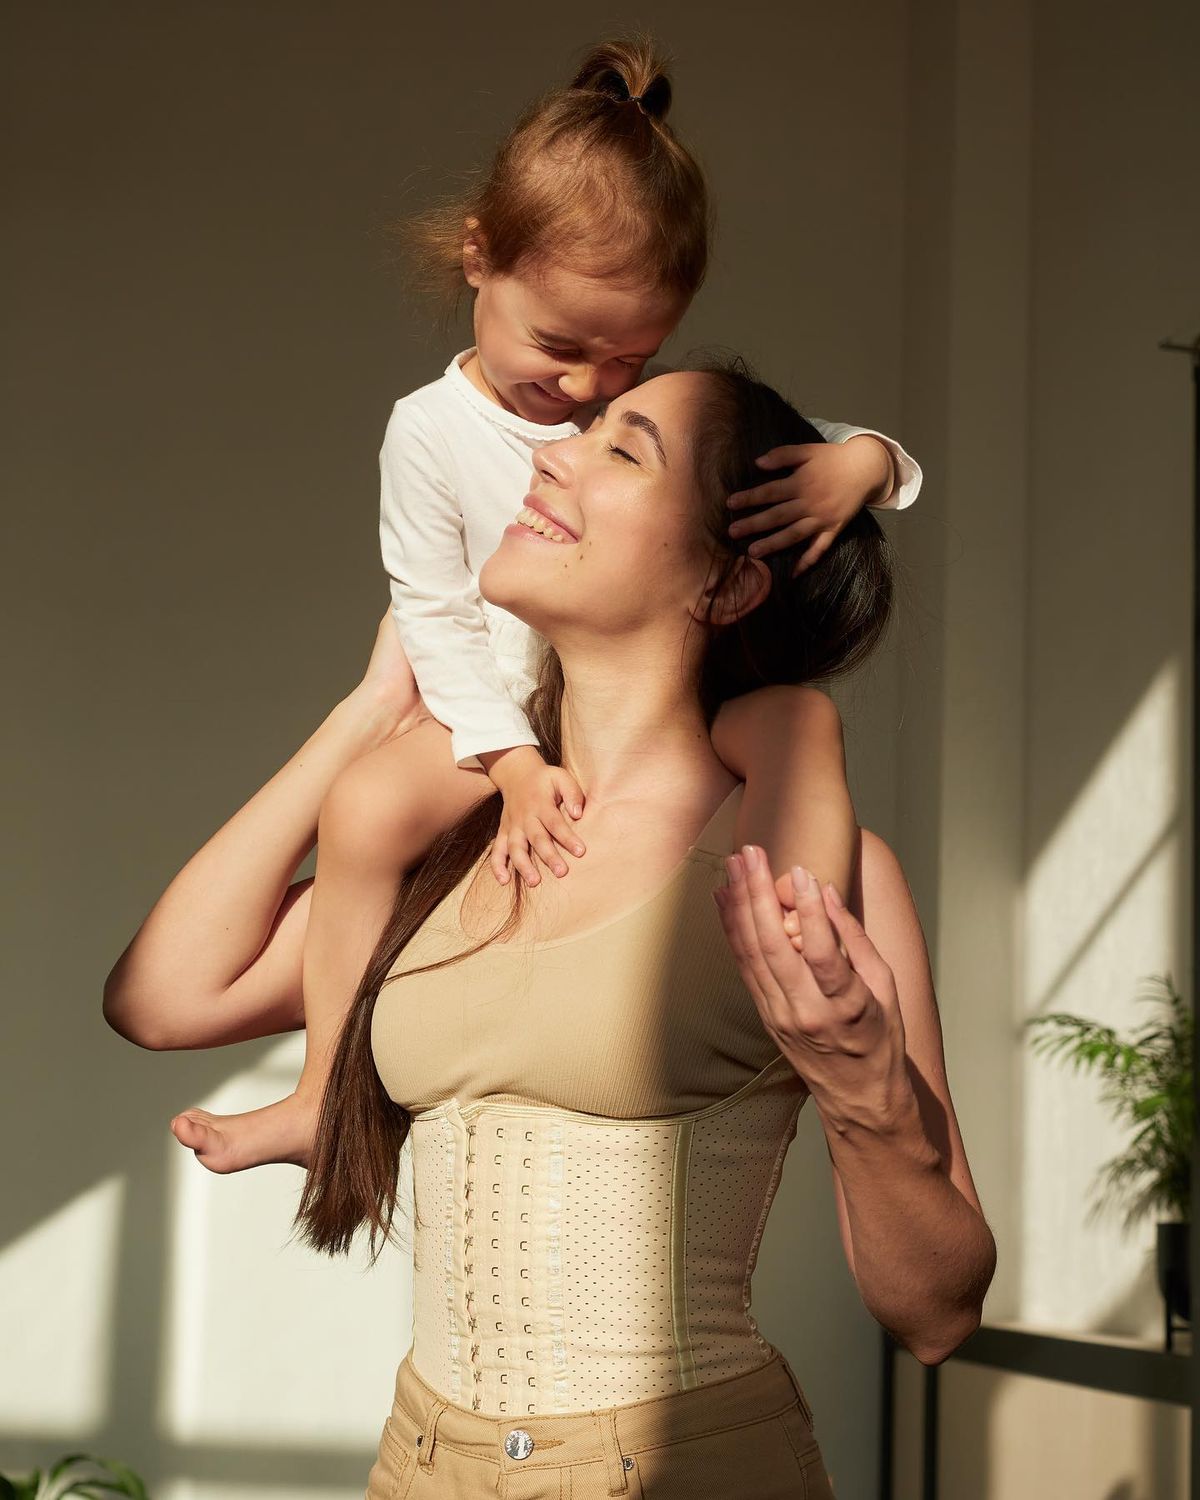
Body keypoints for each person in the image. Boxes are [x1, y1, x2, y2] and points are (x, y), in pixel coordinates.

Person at [106, 362, 992, 1497]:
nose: (552, 454)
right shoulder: (459, 842)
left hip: (681, 1470)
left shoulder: (812, 875)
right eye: (580, 433)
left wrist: (868, 1098)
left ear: (726, 584)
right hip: (420, 1466)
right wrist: (372, 710)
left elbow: (937, 1315)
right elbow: (162, 997)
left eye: (623, 450)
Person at [146, 36, 922, 1178]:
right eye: (560, 350)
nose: (583, 399)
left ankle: (775, 957)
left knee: (787, 719)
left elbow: (769, 450)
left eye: (629, 370)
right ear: (478, 258)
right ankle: (322, 1093)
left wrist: (868, 462)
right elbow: (431, 610)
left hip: (616, 746)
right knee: (364, 806)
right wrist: (481, 751)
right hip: (489, 724)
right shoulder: (432, 432)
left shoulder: (628, 418)